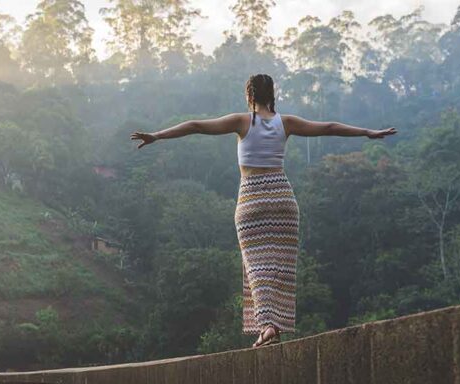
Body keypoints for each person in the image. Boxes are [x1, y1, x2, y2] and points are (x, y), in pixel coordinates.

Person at [131, 73, 397, 348]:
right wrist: (367, 132)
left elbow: (197, 125)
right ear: (273, 95)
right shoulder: (287, 123)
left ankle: (268, 325)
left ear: (250, 96)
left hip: (252, 198)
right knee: (279, 268)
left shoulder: (241, 121)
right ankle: (271, 327)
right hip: (283, 197)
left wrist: (157, 136)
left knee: (256, 267)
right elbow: (328, 127)